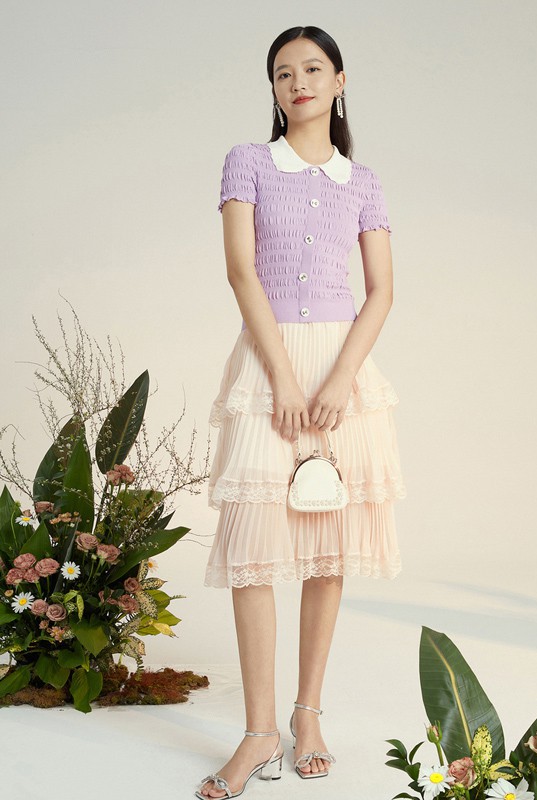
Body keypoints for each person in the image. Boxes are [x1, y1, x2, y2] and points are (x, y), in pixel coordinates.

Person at [197, 24, 407, 799]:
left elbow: (382, 290)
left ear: (340, 81)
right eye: (283, 73)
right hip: (269, 363)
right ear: (274, 89)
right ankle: (259, 732)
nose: (299, 82)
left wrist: (341, 378)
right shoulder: (248, 163)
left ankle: (306, 715)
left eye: (313, 69)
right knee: (256, 549)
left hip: (343, 368)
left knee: (328, 549)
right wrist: (284, 380)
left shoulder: (364, 181)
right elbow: (241, 272)